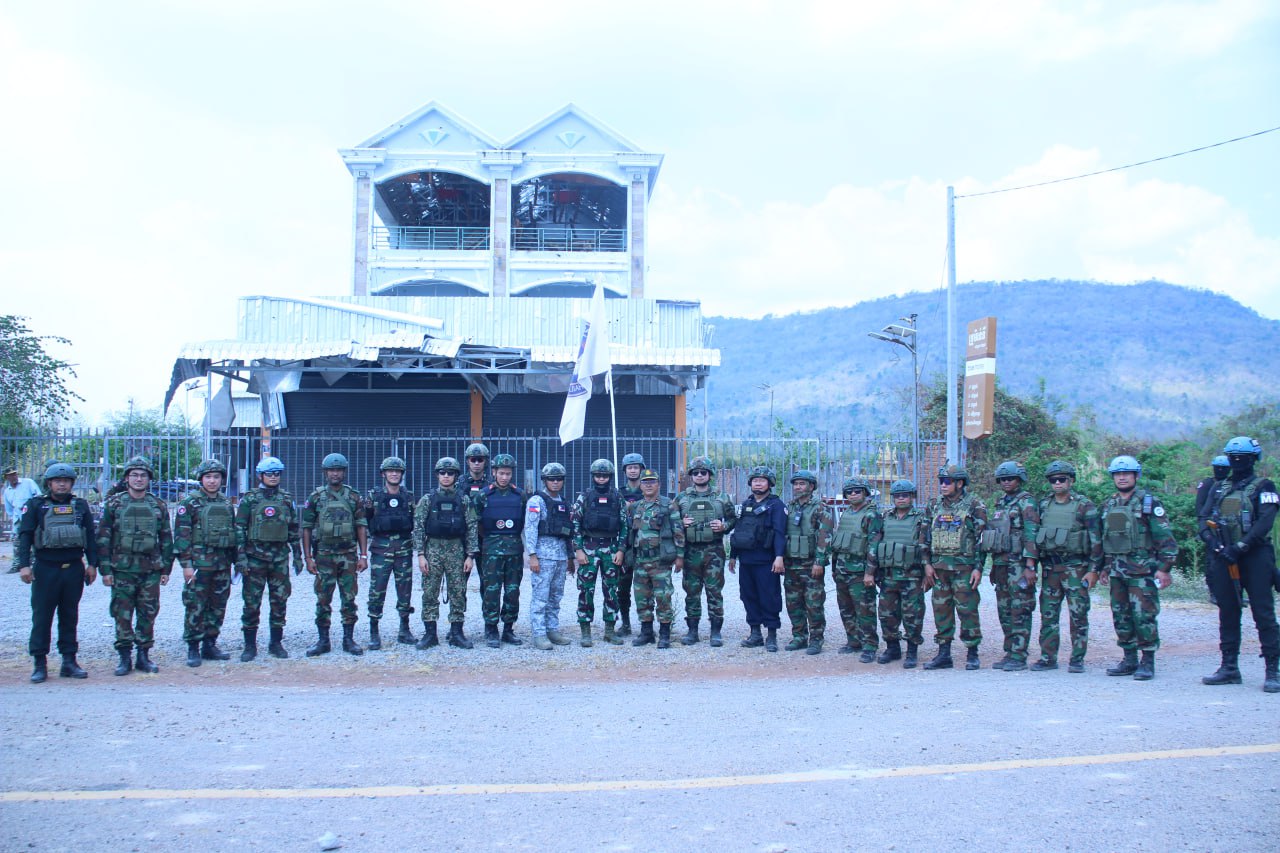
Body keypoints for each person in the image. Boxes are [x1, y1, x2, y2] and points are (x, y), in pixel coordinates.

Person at [1201, 437, 1279, 693]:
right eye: (1233, 457)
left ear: (1253, 459)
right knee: (1228, 611)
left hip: (1255, 556)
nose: (1237, 461)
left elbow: (1265, 522)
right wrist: (1215, 545)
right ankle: (1229, 667)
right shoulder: (1219, 487)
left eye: (1243, 457)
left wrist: (1241, 547)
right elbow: (1204, 519)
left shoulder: (1265, 486)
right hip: (1224, 556)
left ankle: (1272, 670)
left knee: (1263, 613)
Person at [14, 462, 97, 682]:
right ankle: (39, 663)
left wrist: (92, 564)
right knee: (42, 617)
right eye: (57, 481)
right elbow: (25, 536)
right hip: (46, 568)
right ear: (49, 483)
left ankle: (69, 662)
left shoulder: (80, 506)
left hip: (73, 569)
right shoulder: (36, 506)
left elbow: (90, 536)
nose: (62, 484)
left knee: (70, 616)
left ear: (72, 483)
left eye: (66, 480)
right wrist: (24, 565)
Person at [1099, 455, 1177, 681]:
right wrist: (1104, 567)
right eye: (1118, 474)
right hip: (1117, 570)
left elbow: (1166, 539)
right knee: (1121, 615)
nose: (1122, 477)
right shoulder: (1109, 504)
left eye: (1126, 473)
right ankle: (1129, 658)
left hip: (1143, 571)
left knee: (1144, 616)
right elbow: (1107, 539)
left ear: (1136, 476)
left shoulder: (1149, 503)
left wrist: (1164, 568)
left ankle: (1147, 661)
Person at [95, 455, 174, 676]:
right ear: (127, 478)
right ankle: (124, 657)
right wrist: (105, 570)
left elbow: (166, 538)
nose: (139, 479)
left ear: (149, 479)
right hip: (122, 569)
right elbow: (103, 538)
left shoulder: (157, 505)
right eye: (134, 475)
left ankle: (143, 656)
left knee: (148, 613)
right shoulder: (114, 504)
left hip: (150, 569)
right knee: (122, 613)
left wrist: (166, 569)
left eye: (143, 476)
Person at [1029, 460, 1101, 673]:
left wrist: (1093, 570)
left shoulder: (1084, 505)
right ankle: (1048, 657)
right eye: (1054, 480)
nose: (1058, 483)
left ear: (1071, 480)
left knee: (1078, 615)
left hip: (1076, 568)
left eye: (1062, 479)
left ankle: (1077, 658)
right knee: (1048, 614)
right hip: (1051, 568)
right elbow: (1035, 536)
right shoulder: (1043, 505)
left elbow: (1096, 540)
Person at [300, 452, 369, 657]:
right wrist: (308, 558)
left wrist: (363, 556)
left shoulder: (353, 496)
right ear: (325, 472)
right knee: (323, 598)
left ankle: (349, 639)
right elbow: (306, 528)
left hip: (347, 555)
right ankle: (323, 641)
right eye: (332, 470)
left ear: (344, 472)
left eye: (339, 470)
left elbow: (361, 526)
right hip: (323, 555)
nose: (335, 474)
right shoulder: (316, 497)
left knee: (349, 598)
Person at [234, 455, 302, 660]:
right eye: (269, 474)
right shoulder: (250, 499)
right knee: (252, 602)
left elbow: (293, 528)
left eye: (277, 474)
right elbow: (239, 528)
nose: (273, 477)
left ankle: (276, 643)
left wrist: (297, 555)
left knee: (279, 601)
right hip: (255, 558)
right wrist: (241, 558)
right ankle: (249, 645)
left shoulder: (286, 499)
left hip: (279, 558)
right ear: (260, 476)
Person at [922, 464, 988, 671]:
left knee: (967, 610)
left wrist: (979, 568)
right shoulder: (934, 505)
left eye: (947, 482)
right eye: (941, 481)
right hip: (939, 569)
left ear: (960, 483)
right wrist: (926, 565)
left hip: (964, 569)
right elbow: (924, 537)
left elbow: (982, 540)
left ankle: (972, 652)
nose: (943, 485)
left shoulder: (975, 505)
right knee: (941, 610)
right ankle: (944, 654)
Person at [174, 459, 236, 667]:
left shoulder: (226, 503)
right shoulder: (189, 503)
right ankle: (193, 646)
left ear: (221, 480)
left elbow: (232, 532)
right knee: (195, 605)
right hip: (199, 565)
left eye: (216, 477)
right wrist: (186, 565)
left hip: (221, 564)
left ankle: (210, 644)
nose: (212, 481)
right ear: (201, 479)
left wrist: (236, 561)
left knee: (218, 605)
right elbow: (182, 536)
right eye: (208, 477)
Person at [413, 456, 478, 649]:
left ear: (456, 476)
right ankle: (430, 634)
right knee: (430, 591)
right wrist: (421, 554)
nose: (447, 476)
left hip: (456, 550)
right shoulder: (427, 500)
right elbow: (418, 527)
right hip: (432, 549)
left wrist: (470, 555)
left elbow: (472, 527)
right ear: (437, 475)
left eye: (450, 473)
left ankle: (457, 633)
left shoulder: (464, 500)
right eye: (443, 473)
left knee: (458, 592)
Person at [983, 460, 1040, 671]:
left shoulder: (1027, 503)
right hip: (1002, 564)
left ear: (1020, 480)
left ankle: (1019, 654)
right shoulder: (1000, 503)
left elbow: (1031, 534)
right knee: (1004, 609)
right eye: (1003, 479)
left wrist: (1030, 566)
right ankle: (1010, 651)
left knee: (1020, 608)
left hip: (1019, 564)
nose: (1007, 482)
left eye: (1011, 478)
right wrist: (993, 565)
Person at [675, 456, 736, 647]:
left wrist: (724, 526)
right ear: (691, 476)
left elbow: (734, 519)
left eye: (703, 472)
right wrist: (680, 523)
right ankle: (692, 631)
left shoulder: (721, 497)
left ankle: (715, 631)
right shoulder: (682, 498)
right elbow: (669, 520)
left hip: (714, 551)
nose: (699, 476)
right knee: (691, 591)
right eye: (696, 473)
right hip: (690, 551)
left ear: (710, 475)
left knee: (714, 591)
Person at [728, 465, 787, 652]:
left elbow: (780, 533)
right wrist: (733, 556)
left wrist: (779, 557)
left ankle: (771, 635)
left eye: (762, 480)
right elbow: (740, 531)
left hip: (767, 561)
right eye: (755, 480)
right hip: (746, 561)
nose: (758, 483)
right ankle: (755, 633)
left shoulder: (776, 505)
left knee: (769, 597)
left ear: (769, 483)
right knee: (748, 596)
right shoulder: (746, 504)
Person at [624, 469, 684, 648]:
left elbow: (678, 531)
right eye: (645, 482)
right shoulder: (636, 506)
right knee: (642, 598)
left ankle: (664, 634)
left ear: (659, 484)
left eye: (652, 481)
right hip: (640, 560)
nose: (648, 485)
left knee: (663, 597)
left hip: (660, 561)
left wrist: (680, 556)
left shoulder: (668, 505)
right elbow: (631, 533)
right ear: (640, 485)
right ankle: (646, 632)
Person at [571, 459, 627, 647]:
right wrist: (578, 549)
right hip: (589, 548)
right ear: (593, 476)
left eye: (605, 476)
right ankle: (586, 632)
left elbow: (624, 525)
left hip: (610, 549)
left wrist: (620, 549)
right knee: (586, 590)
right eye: (598, 475)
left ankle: (609, 632)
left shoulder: (617, 497)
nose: (601, 479)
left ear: (610, 477)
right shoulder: (585, 496)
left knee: (611, 590)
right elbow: (575, 524)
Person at [473, 453, 525, 648]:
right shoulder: (483, 495)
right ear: (494, 472)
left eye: (508, 473)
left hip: (514, 551)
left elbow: (525, 523)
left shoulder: (520, 495)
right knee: (491, 591)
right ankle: (491, 628)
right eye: (501, 473)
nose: (504, 477)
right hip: (491, 551)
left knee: (512, 591)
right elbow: (475, 522)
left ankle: (509, 629)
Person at [365, 456, 417, 650]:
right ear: (383, 474)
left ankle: (404, 629)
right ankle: (374, 631)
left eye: (397, 471)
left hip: (404, 549)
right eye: (390, 471)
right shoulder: (374, 497)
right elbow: (366, 521)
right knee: (377, 591)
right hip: (381, 549)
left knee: (405, 591)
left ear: (402, 474)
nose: (394, 474)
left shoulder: (409, 497)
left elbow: (416, 521)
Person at [829, 477, 883, 661]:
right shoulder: (847, 513)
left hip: (860, 571)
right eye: (849, 492)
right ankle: (853, 641)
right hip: (843, 569)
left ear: (865, 493)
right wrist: (835, 568)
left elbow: (873, 545)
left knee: (865, 610)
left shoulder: (871, 515)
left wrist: (870, 572)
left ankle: (869, 645)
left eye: (857, 491)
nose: (853, 495)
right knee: (846, 608)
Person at [782, 470, 833, 655]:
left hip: (811, 564)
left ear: (811, 487)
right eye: (795, 484)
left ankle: (816, 639)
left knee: (814, 603)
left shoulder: (820, 507)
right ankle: (799, 636)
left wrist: (819, 562)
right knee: (793, 603)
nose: (798, 487)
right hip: (791, 564)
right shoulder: (790, 506)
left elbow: (824, 536)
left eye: (802, 484)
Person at [524, 463, 573, 650]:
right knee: (540, 597)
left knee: (556, 596)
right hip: (543, 556)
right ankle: (539, 633)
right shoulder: (537, 501)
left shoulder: (563, 502)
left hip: (560, 556)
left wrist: (569, 558)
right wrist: (533, 555)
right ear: (544, 480)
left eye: (559, 479)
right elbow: (530, 529)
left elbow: (567, 532)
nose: (555, 482)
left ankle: (552, 629)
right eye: (551, 479)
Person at [615, 451, 647, 636]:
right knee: (623, 587)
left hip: (644, 544)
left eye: (636, 467)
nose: (633, 471)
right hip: (625, 546)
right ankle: (625, 623)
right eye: (630, 468)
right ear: (625, 470)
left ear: (642, 469)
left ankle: (646, 624)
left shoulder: (649, 490)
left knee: (645, 588)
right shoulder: (619, 494)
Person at [1195, 455, 1233, 605]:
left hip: (1229, 529)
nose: (1221, 470)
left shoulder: (1231, 484)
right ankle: (1213, 593)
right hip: (1210, 528)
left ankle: (1233, 593)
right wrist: (1204, 528)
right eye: (1218, 467)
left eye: (1224, 468)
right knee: (1212, 563)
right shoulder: (1208, 483)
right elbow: (1200, 507)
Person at [4, 466, 41, 572]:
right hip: (18, 519)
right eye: (10, 475)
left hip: (32, 516)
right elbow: (9, 509)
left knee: (35, 539)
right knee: (17, 542)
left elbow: (38, 496)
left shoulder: (28, 483)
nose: (13, 477)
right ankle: (17, 564)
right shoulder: (8, 491)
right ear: (7, 477)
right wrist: (15, 518)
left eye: (14, 474)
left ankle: (35, 563)